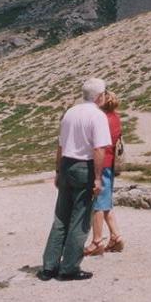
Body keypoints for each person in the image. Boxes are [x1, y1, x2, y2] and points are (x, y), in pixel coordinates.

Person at [37, 77, 111, 282]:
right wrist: (98, 178)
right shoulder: (98, 116)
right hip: (84, 167)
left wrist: (58, 170)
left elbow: (60, 145)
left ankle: (49, 266)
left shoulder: (70, 112)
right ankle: (69, 267)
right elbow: (99, 149)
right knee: (80, 219)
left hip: (66, 164)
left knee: (61, 217)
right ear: (100, 96)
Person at [84, 90, 125, 255]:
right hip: (111, 163)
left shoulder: (102, 119)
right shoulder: (116, 118)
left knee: (98, 204)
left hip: (102, 164)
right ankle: (116, 236)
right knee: (106, 202)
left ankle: (97, 241)